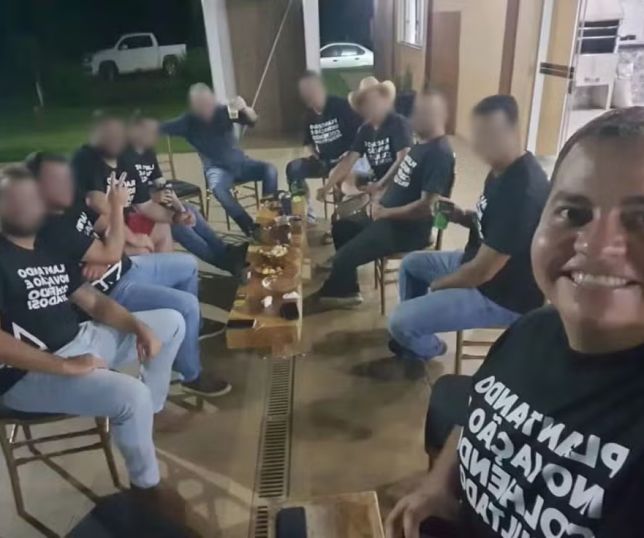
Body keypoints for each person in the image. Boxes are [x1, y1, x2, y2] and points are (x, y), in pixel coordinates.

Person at [385, 106, 644, 538]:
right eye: (573, 213)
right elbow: (480, 408)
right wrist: (438, 484)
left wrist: (439, 288)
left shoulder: (522, 185)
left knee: (404, 319)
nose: (596, 245)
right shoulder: (532, 331)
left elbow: (483, 270)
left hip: (494, 293)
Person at [0, 165, 184, 505]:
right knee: (132, 396)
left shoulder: (46, 247)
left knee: (171, 322)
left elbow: (94, 302)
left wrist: (138, 327)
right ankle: (147, 490)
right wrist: (64, 365)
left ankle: (150, 414)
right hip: (29, 374)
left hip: (83, 341)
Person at [29, 152, 232, 397]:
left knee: (187, 265)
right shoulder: (51, 226)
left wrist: (109, 248)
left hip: (124, 267)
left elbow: (103, 223)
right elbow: (108, 250)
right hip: (110, 290)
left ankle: (184, 342)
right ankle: (191, 374)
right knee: (186, 304)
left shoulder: (70, 204)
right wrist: (114, 219)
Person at [388, 95, 550, 363]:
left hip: (501, 294)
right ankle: (416, 336)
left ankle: (431, 348)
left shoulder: (523, 191)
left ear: (513, 132)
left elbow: (481, 272)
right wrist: (461, 216)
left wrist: (441, 285)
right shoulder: (501, 169)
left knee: (399, 321)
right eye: (478, 136)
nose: (478, 145)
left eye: (489, 136)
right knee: (411, 265)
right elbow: (493, 225)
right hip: (476, 261)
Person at [316, 88, 455, 308]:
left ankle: (336, 290)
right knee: (342, 228)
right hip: (387, 215)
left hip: (407, 229)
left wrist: (385, 211)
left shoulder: (439, 153)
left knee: (343, 257)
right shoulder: (422, 145)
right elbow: (399, 180)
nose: (413, 117)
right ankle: (347, 290)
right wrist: (378, 201)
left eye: (421, 112)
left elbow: (427, 207)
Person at [120, 113, 248, 273]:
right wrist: (153, 198)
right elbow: (128, 200)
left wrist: (179, 207)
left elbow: (161, 183)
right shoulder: (124, 159)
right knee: (178, 227)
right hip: (134, 214)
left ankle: (225, 250)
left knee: (189, 210)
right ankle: (224, 263)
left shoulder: (148, 153)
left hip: (152, 204)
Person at [161, 83, 278, 237]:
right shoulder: (187, 122)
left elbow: (252, 120)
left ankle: (268, 220)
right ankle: (251, 229)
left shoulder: (224, 112)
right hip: (216, 169)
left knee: (270, 170)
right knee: (218, 189)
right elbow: (160, 128)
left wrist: (244, 108)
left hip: (241, 163)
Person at [316, 76, 413, 205]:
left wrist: (380, 185)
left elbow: (403, 159)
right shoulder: (365, 130)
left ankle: (371, 203)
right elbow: (349, 160)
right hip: (377, 181)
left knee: (375, 198)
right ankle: (364, 199)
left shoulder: (398, 123)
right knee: (345, 183)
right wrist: (327, 187)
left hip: (401, 183)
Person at [286, 71, 365, 222]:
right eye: (305, 92)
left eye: (312, 89)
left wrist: (350, 152)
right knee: (293, 168)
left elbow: (361, 132)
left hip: (346, 160)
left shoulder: (341, 106)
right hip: (324, 160)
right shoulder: (308, 116)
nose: (310, 95)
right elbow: (307, 142)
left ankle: (343, 218)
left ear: (321, 88)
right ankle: (305, 214)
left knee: (343, 183)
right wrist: (314, 154)